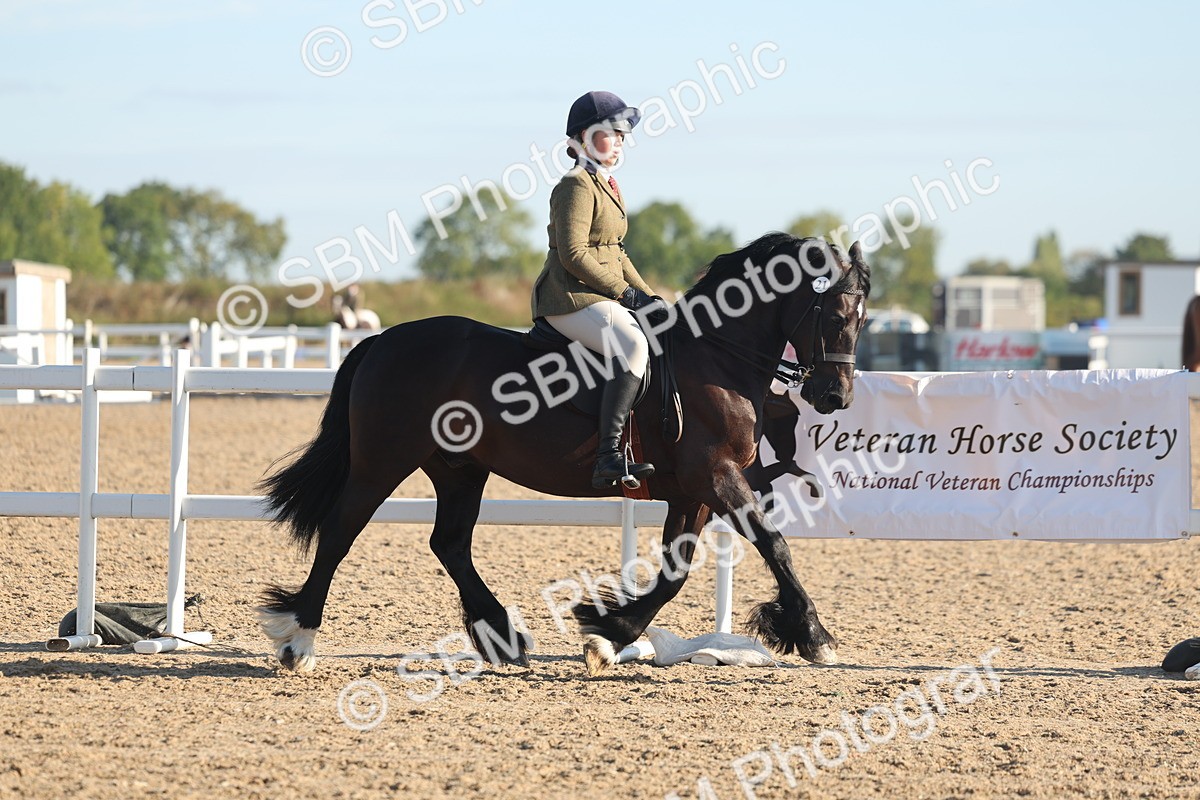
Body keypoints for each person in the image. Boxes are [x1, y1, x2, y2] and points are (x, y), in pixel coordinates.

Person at [530, 91, 666, 489]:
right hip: (568, 296)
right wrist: (627, 295)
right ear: (583, 138)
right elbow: (574, 254)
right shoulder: (575, 186)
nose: (620, 141)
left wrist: (649, 296)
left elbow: (615, 251)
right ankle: (608, 455)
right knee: (633, 345)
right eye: (611, 133)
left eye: (622, 134)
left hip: (598, 294)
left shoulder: (607, 184)